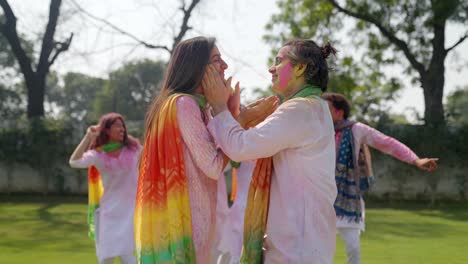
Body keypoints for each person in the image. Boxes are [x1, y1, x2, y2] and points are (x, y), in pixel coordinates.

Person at [134, 36, 277, 264]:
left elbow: (221, 159)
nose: (225, 66)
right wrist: (240, 121)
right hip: (186, 225)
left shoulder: (195, 107)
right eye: (217, 60)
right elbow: (213, 166)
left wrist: (229, 115)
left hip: (193, 222)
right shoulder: (184, 104)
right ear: (196, 67)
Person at [204, 38, 338, 263]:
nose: (271, 68)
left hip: (297, 248)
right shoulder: (312, 107)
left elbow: (241, 147)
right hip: (302, 242)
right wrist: (243, 118)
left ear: (300, 67)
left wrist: (219, 106)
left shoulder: (300, 109)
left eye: (278, 61)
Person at [322, 92, 439, 264]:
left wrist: (415, 159)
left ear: (339, 112)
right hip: (319, 198)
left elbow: (387, 143)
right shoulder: (314, 130)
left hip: (348, 200)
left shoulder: (356, 130)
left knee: (353, 248)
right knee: (320, 249)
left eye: (325, 108)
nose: (319, 112)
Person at [69, 113, 141, 264]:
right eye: (117, 126)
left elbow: (154, 156)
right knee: (106, 258)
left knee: (127, 257)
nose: (122, 129)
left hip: (130, 212)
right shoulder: (98, 155)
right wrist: (88, 137)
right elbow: (74, 162)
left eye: (123, 126)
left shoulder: (134, 150)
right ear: (107, 130)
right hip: (109, 213)